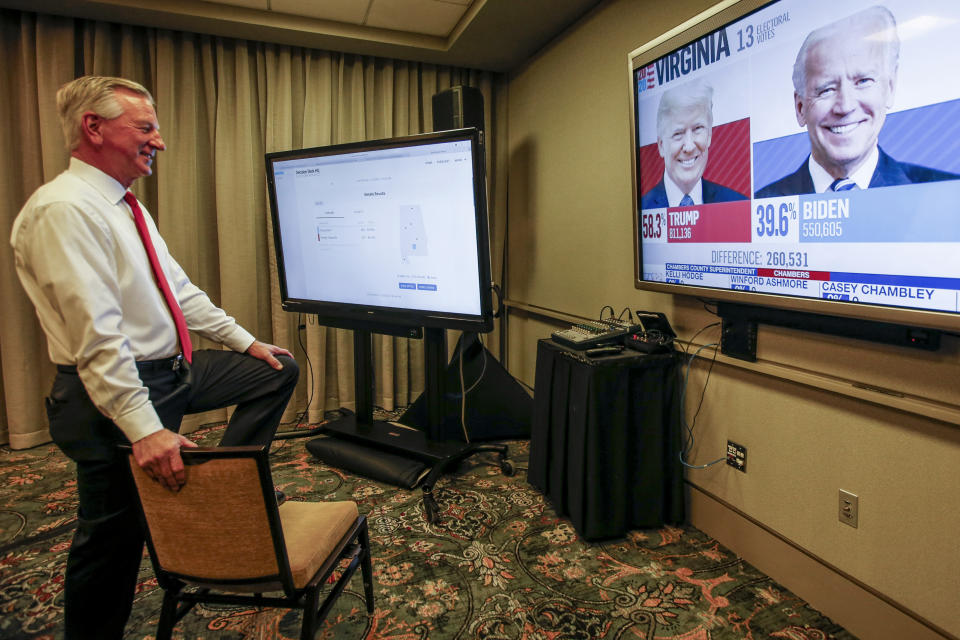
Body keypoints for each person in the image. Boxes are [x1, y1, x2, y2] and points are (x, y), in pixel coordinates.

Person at [9, 76, 300, 639]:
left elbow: (180, 291)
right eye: (145, 128)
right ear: (93, 128)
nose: (158, 141)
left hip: (172, 371)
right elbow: (98, 337)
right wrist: (144, 429)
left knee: (276, 370)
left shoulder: (123, 207)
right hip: (112, 393)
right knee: (113, 539)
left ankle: (222, 488)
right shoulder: (65, 210)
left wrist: (246, 342)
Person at [755, 5, 959, 197]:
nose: (845, 106)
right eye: (826, 89)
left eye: (863, 81)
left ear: (889, 88)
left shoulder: (945, 195)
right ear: (800, 108)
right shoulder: (761, 202)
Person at [641, 80, 747, 208]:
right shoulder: (642, 207)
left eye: (698, 129)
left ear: (709, 136)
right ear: (661, 145)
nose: (689, 147)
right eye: (678, 133)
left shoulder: (738, 204)